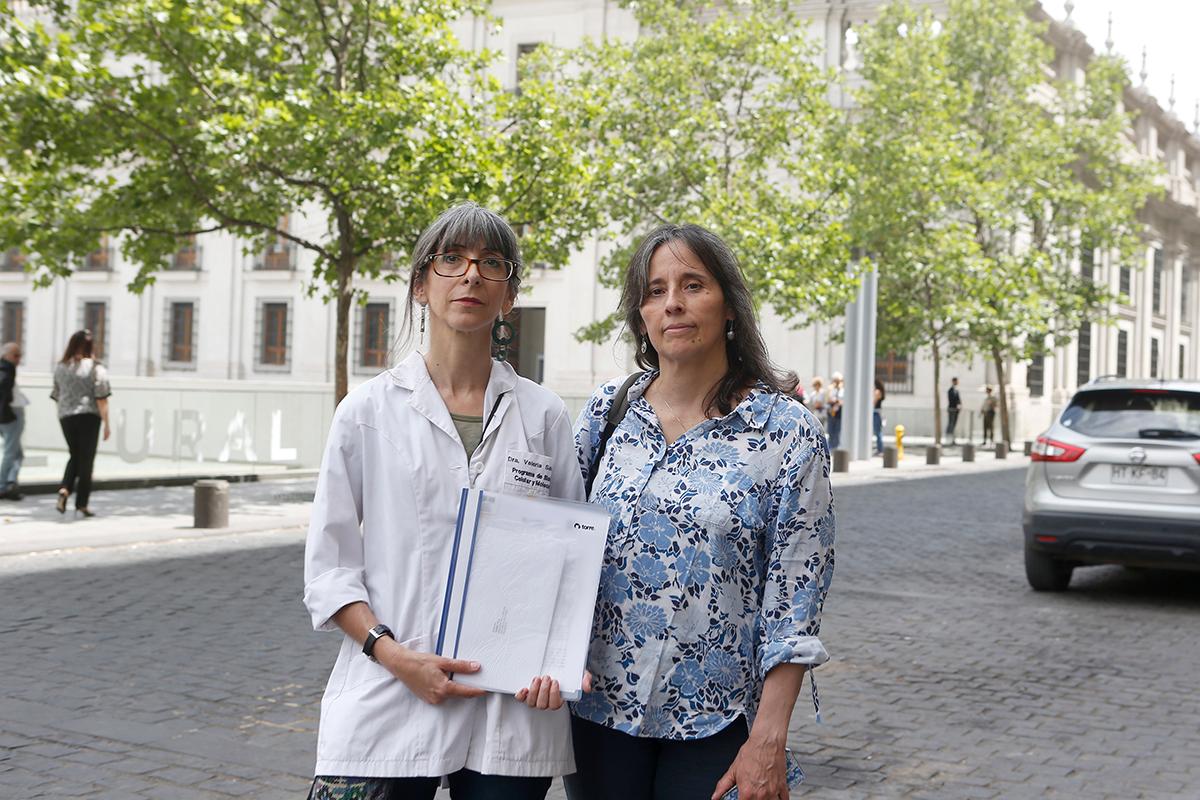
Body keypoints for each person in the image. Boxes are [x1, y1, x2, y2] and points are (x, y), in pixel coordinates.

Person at [302, 203, 585, 800]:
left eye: (491, 263)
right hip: (389, 691)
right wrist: (397, 657)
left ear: (509, 296)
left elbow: (572, 563)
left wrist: (559, 662)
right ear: (420, 285)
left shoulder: (543, 414)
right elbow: (329, 569)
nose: (471, 275)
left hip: (511, 704)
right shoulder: (367, 412)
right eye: (451, 259)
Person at [570, 224, 835, 800]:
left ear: (730, 307)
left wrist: (769, 736)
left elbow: (795, 596)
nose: (674, 303)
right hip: (595, 714)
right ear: (640, 315)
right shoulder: (605, 414)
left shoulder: (785, 433)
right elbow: (557, 545)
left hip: (715, 721)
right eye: (656, 290)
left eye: (693, 285)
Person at [51, 331, 111, 517]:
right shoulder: (95, 367)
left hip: (65, 416)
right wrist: (107, 423)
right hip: (88, 416)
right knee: (86, 460)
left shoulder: (61, 367)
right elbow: (101, 398)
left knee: (74, 455)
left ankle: (65, 488)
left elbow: (56, 395)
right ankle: (82, 504)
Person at [0, 342, 25, 500]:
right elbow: (4, 392)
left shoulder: (6, 369)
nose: (18, 359)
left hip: (7, 415)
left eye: (19, 356)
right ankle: (3, 485)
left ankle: (9, 483)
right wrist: (7, 414)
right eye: (15, 355)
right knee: (12, 452)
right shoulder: (6, 370)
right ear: (6, 355)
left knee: (17, 453)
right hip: (10, 415)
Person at [825, 371, 845, 450]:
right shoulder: (830, 389)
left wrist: (838, 402)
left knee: (837, 430)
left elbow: (843, 400)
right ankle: (830, 447)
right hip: (831, 411)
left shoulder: (842, 390)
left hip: (839, 412)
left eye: (838, 381)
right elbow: (827, 399)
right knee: (830, 430)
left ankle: (836, 447)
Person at [946, 377, 962, 445]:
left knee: (954, 424)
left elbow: (959, 400)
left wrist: (959, 406)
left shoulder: (957, 390)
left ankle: (952, 439)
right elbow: (952, 400)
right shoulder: (950, 390)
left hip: (956, 410)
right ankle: (949, 439)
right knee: (951, 424)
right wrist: (957, 405)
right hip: (952, 409)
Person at [872, 378, 886, 456]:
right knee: (878, 432)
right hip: (878, 413)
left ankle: (880, 450)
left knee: (878, 432)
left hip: (876, 413)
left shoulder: (877, 392)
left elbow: (873, 403)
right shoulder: (880, 392)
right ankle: (880, 449)